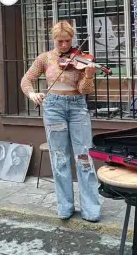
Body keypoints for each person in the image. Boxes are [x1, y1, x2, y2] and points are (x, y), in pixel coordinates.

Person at [20, 21, 101, 222]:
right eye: (60, 41)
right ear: (53, 39)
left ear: (72, 39)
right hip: (54, 107)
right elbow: (26, 80)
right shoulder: (45, 58)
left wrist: (89, 75)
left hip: (77, 107)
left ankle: (90, 208)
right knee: (60, 158)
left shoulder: (81, 60)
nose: (64, 45)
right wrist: (32, 94)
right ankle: (65, 206)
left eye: (68, 41)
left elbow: (85, 91)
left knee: (83, 157)